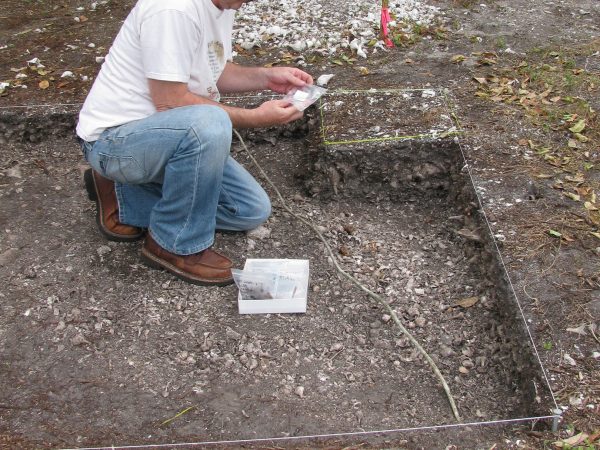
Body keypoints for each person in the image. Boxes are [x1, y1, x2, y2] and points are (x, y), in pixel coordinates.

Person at [76, 0, 313, 286]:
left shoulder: (221, 6)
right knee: (210, 124)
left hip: (165, 140)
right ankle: (172, 243)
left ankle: (123, 193)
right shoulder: (172, 10)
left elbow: (213, 70)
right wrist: (256, 118)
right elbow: (170, 100)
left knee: (249, 209)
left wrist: (266, 76)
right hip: (115, 142)